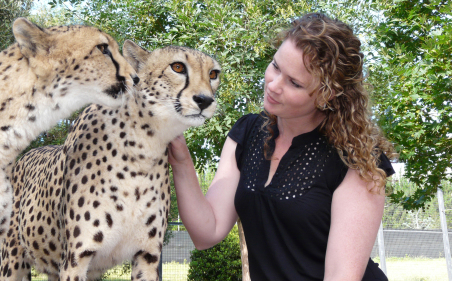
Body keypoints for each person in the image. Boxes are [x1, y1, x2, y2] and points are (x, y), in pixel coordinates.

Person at [168, 12, 396, 281]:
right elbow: (207, 233)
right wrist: (181, 161)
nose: (273, 85)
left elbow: (341, 276)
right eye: (276, 66)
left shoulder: (357, 158)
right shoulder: (247, 132)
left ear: (327, 94)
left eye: (294, 83)